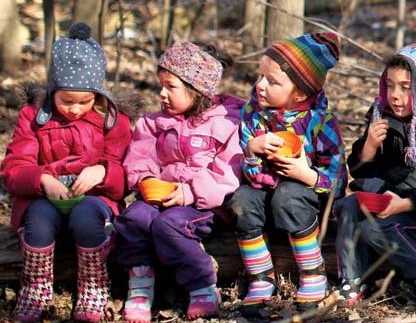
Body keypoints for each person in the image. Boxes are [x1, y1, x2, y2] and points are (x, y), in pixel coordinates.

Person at [1, 22, 132, 322]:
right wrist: (42, 179)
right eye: (66, 101)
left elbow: (128, 174)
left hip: (95, 199)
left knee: (87, 219)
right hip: (42, 198)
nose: (75, 109)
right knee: (39, 221)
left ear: (98, 95)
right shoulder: (34, 117)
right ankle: (35, 288)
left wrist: (103, 171)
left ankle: (94, 286)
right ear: (52, 91)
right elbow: (13, 168)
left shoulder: (113, 120)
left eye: (85, 102)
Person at [113, 41, 245, 321]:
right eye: (161, 85)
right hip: (158, 198)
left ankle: (202, 284)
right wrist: (146, 180)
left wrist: (190, 192)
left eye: (170, 87)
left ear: (197, 90)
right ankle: (139, 283)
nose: (162, 94)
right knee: (133, 218)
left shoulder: (226, 123)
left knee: (169, 224)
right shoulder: (153, 123)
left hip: (203, 205)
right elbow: (138, 158)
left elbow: (227, 173)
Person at [334, 37, 416, 306]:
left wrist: (403, 205)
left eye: (406, 88)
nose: (394, 95)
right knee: (347, 205)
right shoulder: (382, 112)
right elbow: (359, 170)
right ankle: (352, 278)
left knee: (373, 229)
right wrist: (369, 145)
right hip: (385, 198)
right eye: (390, 85)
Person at [226, 32, 347, 315]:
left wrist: (307, 175)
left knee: (289, 195)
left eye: (272, 81)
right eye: (260, 77)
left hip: (304, 197)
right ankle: (260, 277)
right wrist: (252, 151)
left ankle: (313, 273)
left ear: (300, 94)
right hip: (263, 192)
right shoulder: (252, 115)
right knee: (241, 200)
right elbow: (251, 176)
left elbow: (339, 180)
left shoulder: (321, 123)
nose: (260, 86)